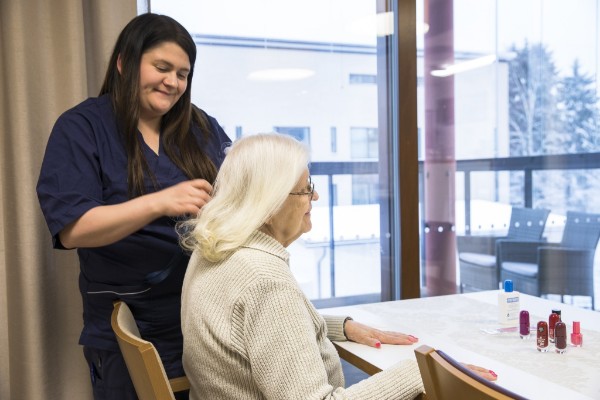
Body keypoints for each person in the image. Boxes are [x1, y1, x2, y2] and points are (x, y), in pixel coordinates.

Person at [179, 133, 497, 399]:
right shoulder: (265, 280)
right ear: (269, 202)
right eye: (305, 189)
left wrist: (334, 327)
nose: (315, 196)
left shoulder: (214, 249)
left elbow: (247, 329)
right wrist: (418, 371)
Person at [36, 13, 231, 399]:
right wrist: (160, 202)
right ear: (124, 62)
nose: (173, 82)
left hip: (204, 316)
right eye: (162, 67)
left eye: (182, 73)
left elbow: (237, 194)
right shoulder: (82, 127)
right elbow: (74, 229)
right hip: (128, 323)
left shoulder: (200, 128)